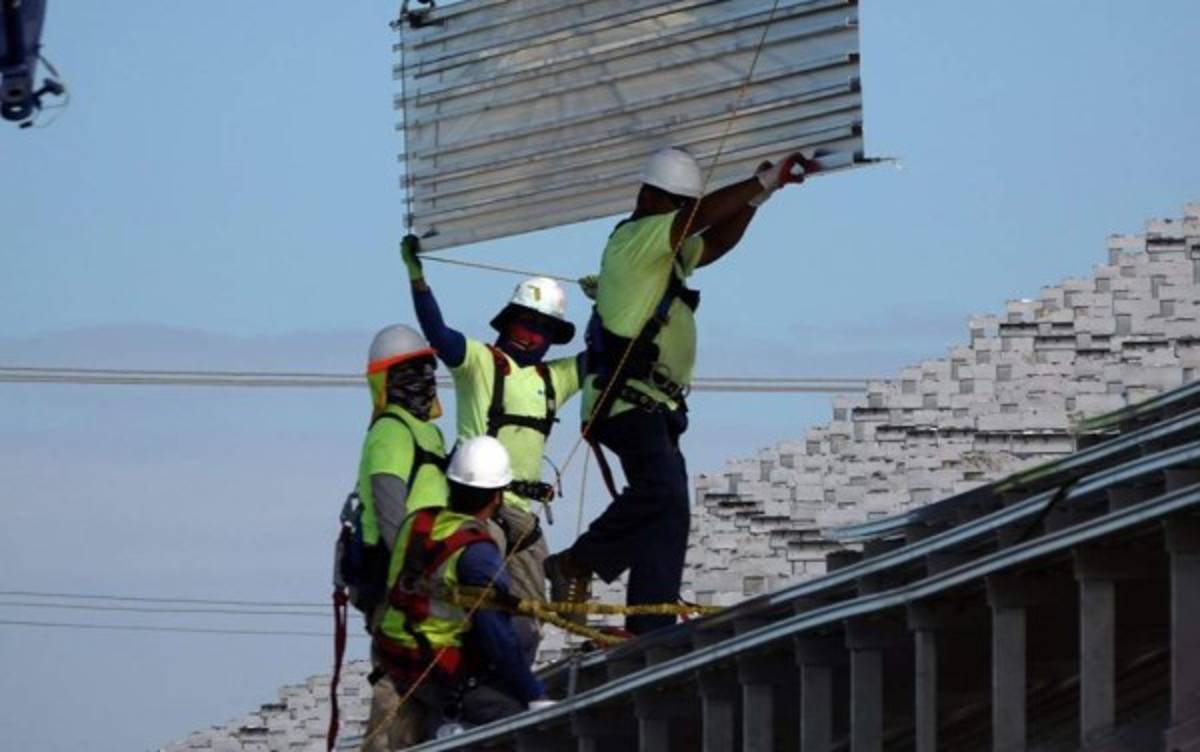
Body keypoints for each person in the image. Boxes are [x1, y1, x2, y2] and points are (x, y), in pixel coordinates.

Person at [546, 146, 820, 634]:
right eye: (675, 207)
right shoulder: (633, 239)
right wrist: (760, 180)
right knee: (660, 489)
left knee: (672, 509)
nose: (681, 219)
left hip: (656, 403)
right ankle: (576, 563)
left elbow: (714, 242)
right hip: (625, 400)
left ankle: (649, 623)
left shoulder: (664, 255)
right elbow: (701, 216)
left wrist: (761, 196)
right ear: (650, 197)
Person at [401, 235, 583, 659]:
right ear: (506, 322)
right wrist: (418, 281)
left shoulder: (554, 379)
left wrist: (610, 297)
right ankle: (461, 693)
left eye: (544, 330)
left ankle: (507, 692)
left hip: (523, 517)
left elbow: (608, 351)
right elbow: (438, 334)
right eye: (525, 324)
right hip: (476, 508)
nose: (532, 337)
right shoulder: (478, 363)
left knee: (528, 625)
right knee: (478, 606)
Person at [363, 436, 552, 749]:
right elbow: (496, 635)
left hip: (395, 656)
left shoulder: (417, 523)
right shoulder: (476, 551)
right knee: (521, 723)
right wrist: (533, 694)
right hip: (437, 666)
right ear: (498, 497)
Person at [348, 323, 450, 622]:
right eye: (411, 373)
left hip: (430, 568)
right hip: (398, 580)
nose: (425, 381)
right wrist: (413, 579)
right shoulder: (391, 431)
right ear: (387, 382)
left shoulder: (430, 434)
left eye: (427, 370)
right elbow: (391, 516)